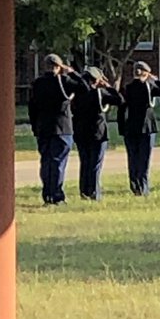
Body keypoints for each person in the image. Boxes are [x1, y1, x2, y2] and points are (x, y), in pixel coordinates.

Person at [28, 53, 85, 205]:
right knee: (58, 163)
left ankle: (47, 194)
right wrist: (72, 72)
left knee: (46, 162)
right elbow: (85, 87)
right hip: (62, 128)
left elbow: (32, 108)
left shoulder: (37, 84)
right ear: (59, 67)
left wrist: (35, 127)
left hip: (43, 128)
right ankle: (57, 196)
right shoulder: (64, 81)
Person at [119, 62, 160, 195]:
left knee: (133, 158)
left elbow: (121, 109)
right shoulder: (149, 87)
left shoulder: (127, 88)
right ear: (146, 73)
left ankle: (134, 185)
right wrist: (156, 80)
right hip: (146, 127)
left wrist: (122, 129)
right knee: (144, 159)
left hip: (130, 127)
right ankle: (143, 186)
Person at [71, 66, 123, 201]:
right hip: (97, 132)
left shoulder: (77, 95)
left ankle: (84, 191)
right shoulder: (100, 94)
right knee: (95, 164)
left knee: (85, 163)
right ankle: (94, 192)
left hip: (80, 132)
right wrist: (108, 86)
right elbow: (120, 100)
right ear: (96, 80)